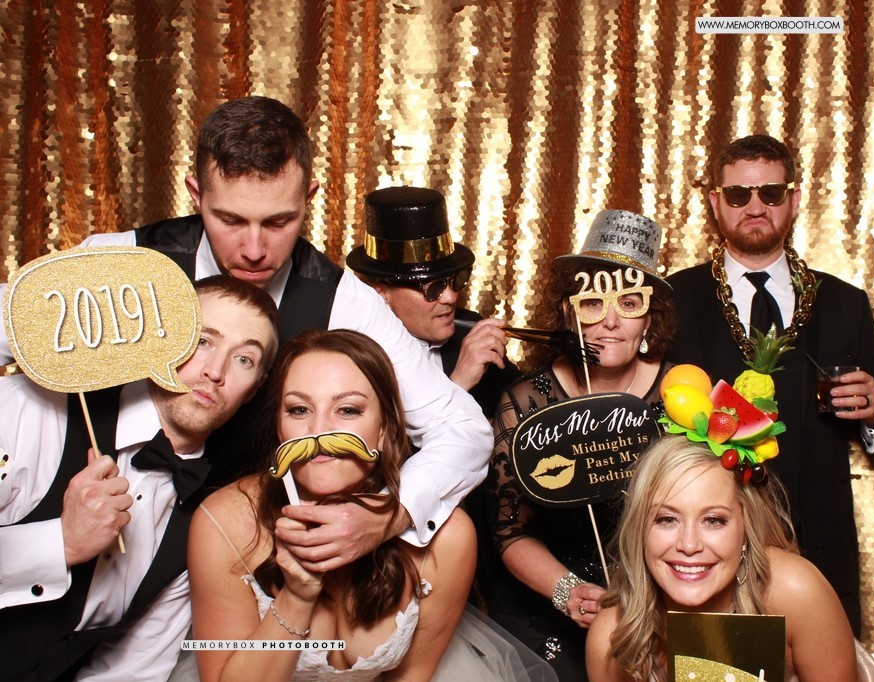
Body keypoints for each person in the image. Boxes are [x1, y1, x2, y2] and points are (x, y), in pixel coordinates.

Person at [0, 96, 493, 571]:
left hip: (241, 563)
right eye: (229, 220)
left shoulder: (344, 302)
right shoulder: (120, 263)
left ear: (309, 199)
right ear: (197, 195)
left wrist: (385, 515)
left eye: (279, 222)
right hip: (65, 543)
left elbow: (464, 430)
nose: (254, 249)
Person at [188, 329, 555, 681]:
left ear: (384, 429)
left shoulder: (448, 539)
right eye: (299, 410)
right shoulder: (226, 522)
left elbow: (412, 677)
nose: (320, 430)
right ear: (279, 428)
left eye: (348, 410)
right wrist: (296, 598)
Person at [666, 134, 874, 635]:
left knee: (823, 665)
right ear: (715, 203)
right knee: (713, 666)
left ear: (794, 200)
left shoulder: (844, 302)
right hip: (702, 548)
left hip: (818, 538)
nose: (755, 207)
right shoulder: (672, 298)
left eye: (771, 194)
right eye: (738, 195)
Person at [0, 276, 279, 681]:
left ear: (255, 390)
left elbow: (132, 668)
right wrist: (61, 542)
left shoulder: (208, 519)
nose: (215, 371)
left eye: (244, 360)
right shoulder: (29, 412)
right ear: (159, 338)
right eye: (202, 341)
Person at [487, 209, 677, 681]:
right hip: (556, 607)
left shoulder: (683, 394)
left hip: (667, 596)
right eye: (593, 303)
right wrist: (566, 590)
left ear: (649, 319)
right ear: (569, 313)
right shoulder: (525, 403)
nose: (610, 323)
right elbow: (510, 531)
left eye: (629, 303)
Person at [586, 438, 874, 682]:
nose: (689, 545)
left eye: (713, 520)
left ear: (745, 527)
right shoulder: (611, 638)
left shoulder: (795, 591)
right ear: (639, 530)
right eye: (667, 519)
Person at [346, 185, 522, 418]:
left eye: (455, 280)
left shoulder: (469, 333)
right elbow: (385, 441)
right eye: (432, 289)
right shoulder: (355, 360)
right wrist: (458, 384)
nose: (450, 297)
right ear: (381, 294)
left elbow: (528, 406)